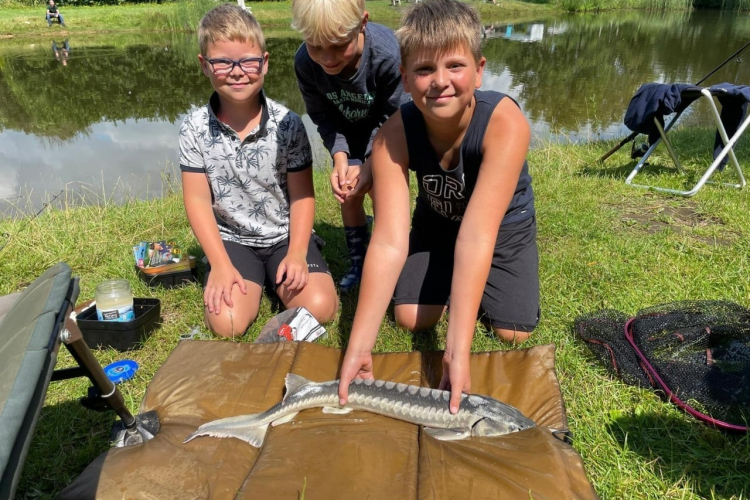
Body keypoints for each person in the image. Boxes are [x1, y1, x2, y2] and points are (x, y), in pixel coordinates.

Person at [338, 0, 540, 414]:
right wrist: (358, 346)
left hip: (502, 227)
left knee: (513, 332)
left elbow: (478, 233)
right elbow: (390, 241)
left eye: (455, 66)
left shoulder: (505, 123)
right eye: (424, 70)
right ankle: (455, 277)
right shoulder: (392, 134)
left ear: (480, 69)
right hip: (437, 222)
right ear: (405, 78)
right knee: (411, 317)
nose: (440, 82)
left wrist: (455, 350)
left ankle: (476, 281)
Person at [179, 4, 339, 338]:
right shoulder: (193, 128)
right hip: (233, 241)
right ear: (204, 66)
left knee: (322, 306)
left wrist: (296, 253)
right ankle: (251, 279)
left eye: (248, 61)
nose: (237, 71)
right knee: (228, 323)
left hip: (284, 236)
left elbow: (302, 196)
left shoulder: (289, 124)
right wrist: (221, 265)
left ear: (264, 63)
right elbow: (196, 201)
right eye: (222, 62)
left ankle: (287, 268)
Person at [291, 0, 408, 292]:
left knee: (384, 194)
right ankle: (359, 262)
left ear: (363, 23)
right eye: (316, 46)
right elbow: (321, 115)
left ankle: (389, 262)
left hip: (391, 133)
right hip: (347, 133)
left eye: (338, 45)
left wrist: (372, 163)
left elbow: (397, 116)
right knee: (348, 192)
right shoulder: (306, 63)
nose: (327, 58)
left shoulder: (388, 55)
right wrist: (340, 156)